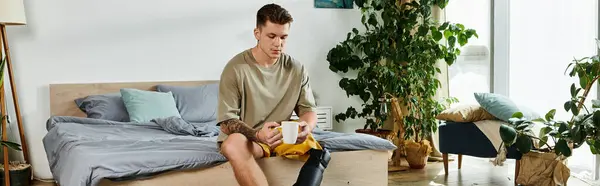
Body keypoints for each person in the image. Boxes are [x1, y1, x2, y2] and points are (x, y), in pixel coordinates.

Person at [216, 3, 325, 186]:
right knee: (232, 144)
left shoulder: (297, 69)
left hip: (282, 137)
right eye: (272, 36)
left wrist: (305, 125)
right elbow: (227, 124)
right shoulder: (235, 69)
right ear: (257, 34)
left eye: (283, 37)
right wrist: (258, 135)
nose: (278, 43)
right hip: (252, 140)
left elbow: (308, 110)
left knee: (321, 151)